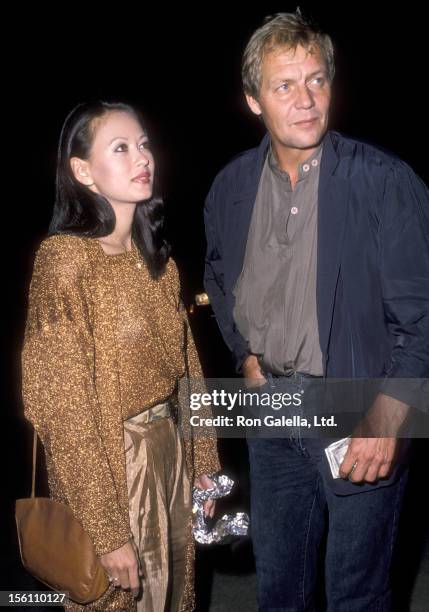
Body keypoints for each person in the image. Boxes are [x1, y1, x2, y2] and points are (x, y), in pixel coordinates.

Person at [203, 11, 429, 612]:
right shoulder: (229, 187)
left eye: (317, 80)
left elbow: (424, 314)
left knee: (357, 594)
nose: (306, 100)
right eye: (284, 85)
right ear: (253, 99)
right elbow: (220, 278)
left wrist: (391, 418)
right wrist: (245, 355)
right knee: (280, 590)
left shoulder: (384, 181)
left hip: (359, 414)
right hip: (271, 414)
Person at [22, 100, 220, 612]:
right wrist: (107, 531)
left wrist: (203, 461)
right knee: (116, 601)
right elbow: (60, 406)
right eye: (121, 147)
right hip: (113, 466)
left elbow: (189, 371)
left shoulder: (159, 262)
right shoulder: (64, 263)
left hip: (170, 455)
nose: (143, 157)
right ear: (83, 171)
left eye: (145, 144)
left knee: (175, 595)